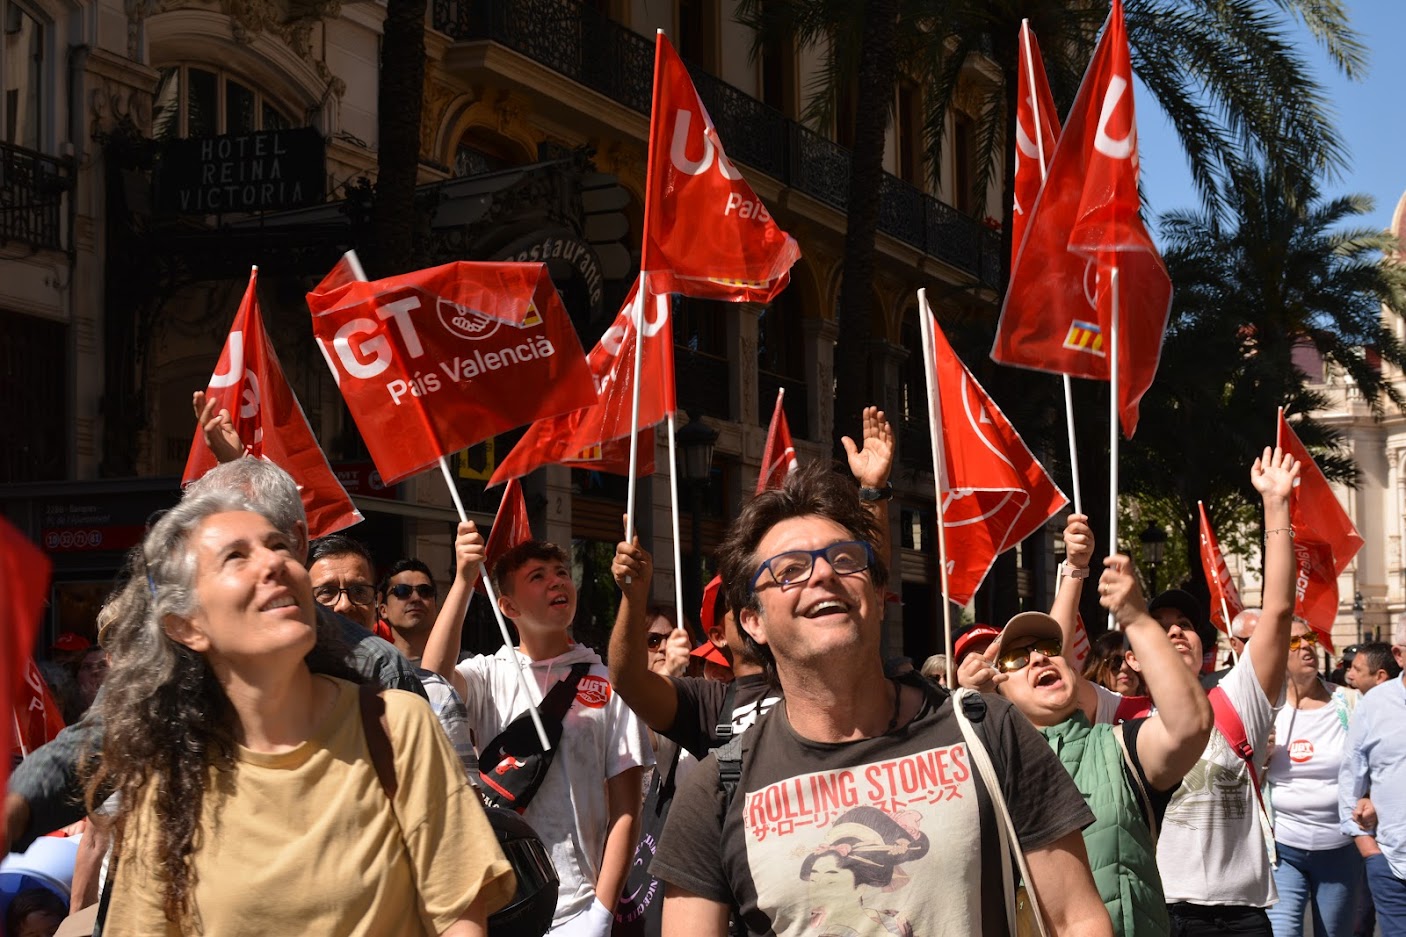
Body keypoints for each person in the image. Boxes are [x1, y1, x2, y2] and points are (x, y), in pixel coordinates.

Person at [651, 461, 1110, 936]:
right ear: (753, 622)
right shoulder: (716, 788)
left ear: (878, 591)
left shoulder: (989, 731)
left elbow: (1074, 919)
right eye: (790, 570)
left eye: (846, 560)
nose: (824, 574)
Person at [89, 485, 513, 933]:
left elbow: (460, 921)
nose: (273, 562)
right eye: (236, 557)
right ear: (187, 626)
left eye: (278, 546)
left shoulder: (396, 727)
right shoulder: (169, 778)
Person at [5, 458, 426, 856]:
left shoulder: (379, 676)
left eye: (274, 545)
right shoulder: (165, 658)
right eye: (231, 555)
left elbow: (430, 845)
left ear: (298, 545)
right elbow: (95, 746)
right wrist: (18, 807)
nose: (265, 567)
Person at [962, 552, 1213, 936]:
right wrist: (969, 711)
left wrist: (1136, 617)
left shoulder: (1120, 746)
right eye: (1016, 656)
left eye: (1048, 648)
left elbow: (1190, 725)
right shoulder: (985, 768)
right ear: (1000, 689)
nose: (1037, 659)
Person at [421, 531, 652, 936]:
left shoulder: (610, 684)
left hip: (580, 909)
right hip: (503, 904)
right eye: (538, 576)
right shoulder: (489, 674)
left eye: (562, 572)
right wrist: (463, 579)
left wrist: (601, 910)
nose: (557, 581)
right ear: (507, 605)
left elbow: (627, 810)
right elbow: (435, 678)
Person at [1149, 449, 1298, 936]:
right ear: (1137, 653)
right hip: (1165, 910)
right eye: (1161, 628)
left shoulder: (1239, 698)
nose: (1175, 634)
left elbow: (1276, 611)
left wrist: (1277, 504)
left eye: (1186, 626)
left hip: (1244, 916)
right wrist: (1077, 570)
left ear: (1203, 643)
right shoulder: (1123, 713)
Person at [310, 537, 477, 779]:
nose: (344, 604)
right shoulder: (282, 694)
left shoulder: (435, 693)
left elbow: (458, 801)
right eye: (327, 592)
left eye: (358, 591)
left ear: (376, 604)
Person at [1264, 618, 1362, 937]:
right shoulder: (1267, 709)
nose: (1307, 645)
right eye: (1295, 641)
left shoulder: (1348, 702)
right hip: (1283, 851)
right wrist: (1259, 757)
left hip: (1340, 848)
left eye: (1309, 637)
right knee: (1282, 933)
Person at [1340, 617, 1406, 936]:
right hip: (1392, 865)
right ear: (1399, 655)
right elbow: (1350, 777)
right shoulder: (1375, 704)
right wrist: (1368, 848)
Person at [1082, 631, 1145, 698]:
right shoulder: (1084, 706)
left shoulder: (1155, 705)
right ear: (1098, 667)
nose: (1124, 667)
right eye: (1115, 661)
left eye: (1132, 660)